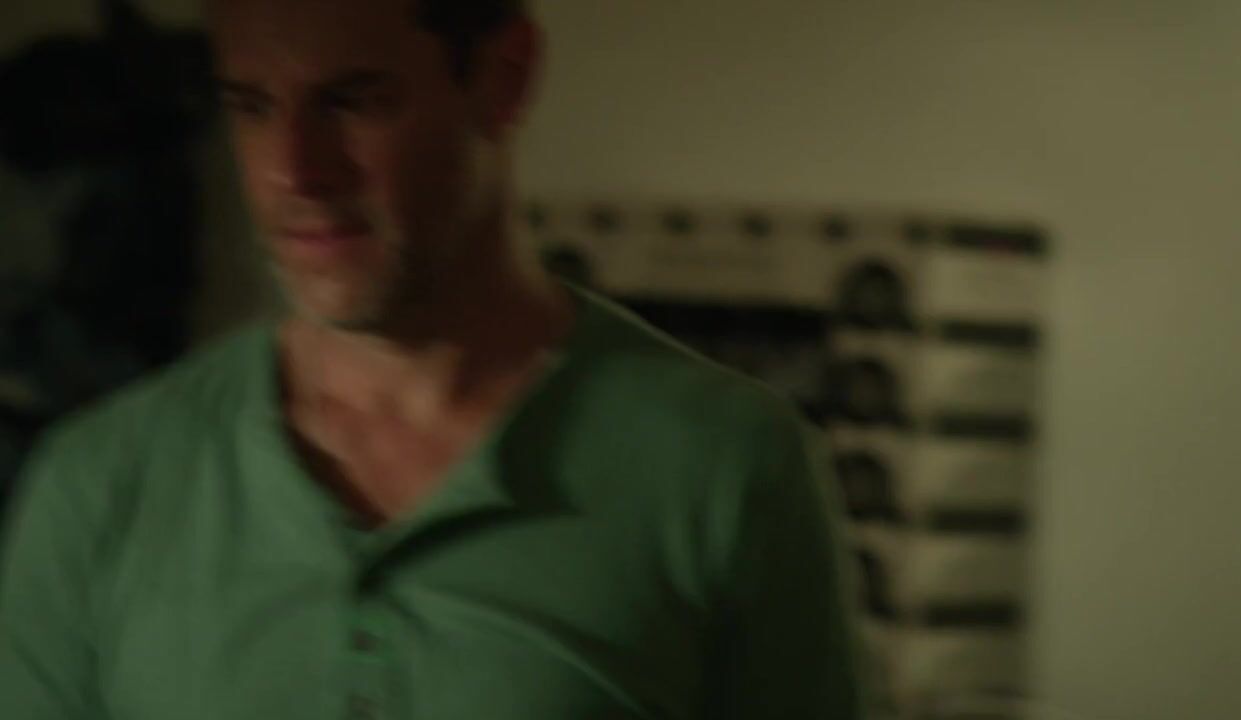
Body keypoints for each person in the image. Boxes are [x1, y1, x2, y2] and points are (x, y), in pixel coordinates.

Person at [0, 0, 863, 717]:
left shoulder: (724, 467)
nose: (295, 171)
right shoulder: (102, 483)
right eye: (253, 106)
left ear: (504, 78)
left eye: (353, 100)